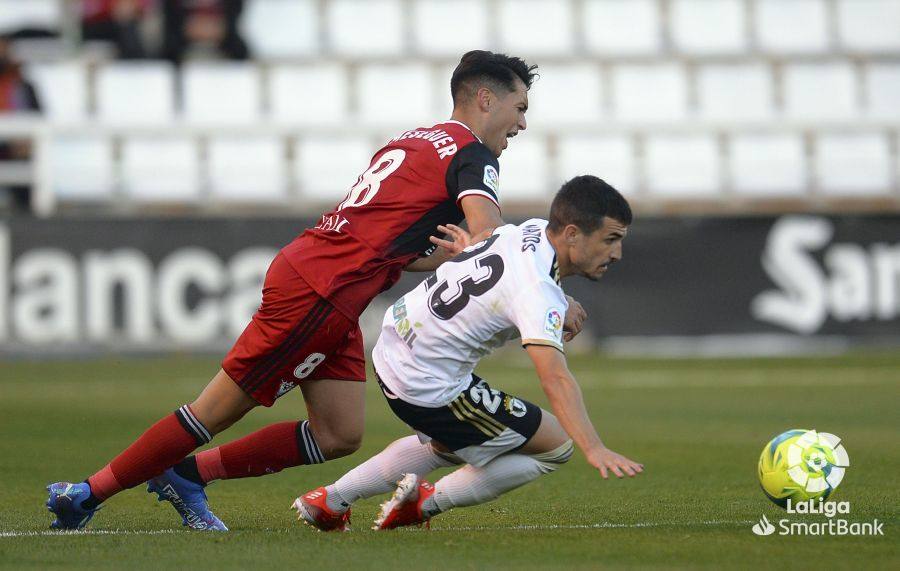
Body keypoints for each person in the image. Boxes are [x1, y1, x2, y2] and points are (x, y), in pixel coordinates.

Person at [46, 50, 566, 531]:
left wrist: (452, 255)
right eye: (520, 107)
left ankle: (186, 476)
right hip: (321, 292)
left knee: (339, 434)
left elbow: (396, 247)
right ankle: (86, 494)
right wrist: (540, 284)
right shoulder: (473, 156)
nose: (522, 123)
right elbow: (491, 233)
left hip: (328, 282)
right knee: (214, 410)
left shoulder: (414, 140)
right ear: (485, 98)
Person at [294, 176, 643, 532]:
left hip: (396, 342)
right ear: (571, 234)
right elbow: (554, 377)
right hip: (426, 381)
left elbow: (493, 253)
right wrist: (594, 447)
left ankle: (329, 500)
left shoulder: (531, 231)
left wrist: (561, 299)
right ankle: (425, 502)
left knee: (449, 444)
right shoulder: (537, 292)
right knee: (555, 446)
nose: (616, 253)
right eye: (610, 239)